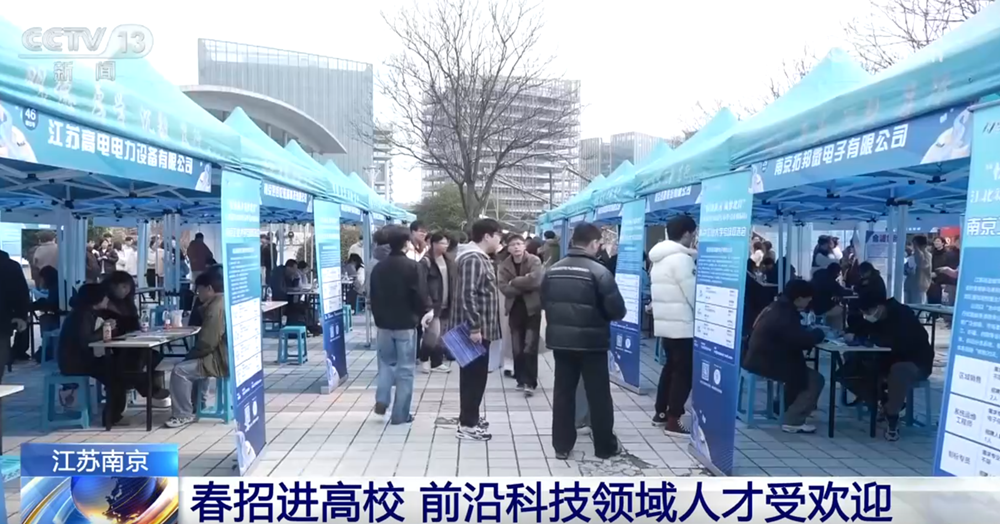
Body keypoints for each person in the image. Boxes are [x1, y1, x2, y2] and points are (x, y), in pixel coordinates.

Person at [543, 222, 626, 459]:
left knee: (563, 393)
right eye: (599, 243)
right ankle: (604, 446)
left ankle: (561, 446)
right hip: (593, 343)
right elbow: (617, 310)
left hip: (561, 342)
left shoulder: (552, 270)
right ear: (593, 243)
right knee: (598, 394)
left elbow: (545, 302)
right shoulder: (600, 272)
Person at [845, 287, 934, 441]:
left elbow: (901, 344)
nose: (866, 315)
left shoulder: (903, 316)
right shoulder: (875, 316)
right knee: (849, 371)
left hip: (914, 362)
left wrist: (871, 341)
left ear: (880, 307)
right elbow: (860, 327)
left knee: (899, 371)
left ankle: (892, 416)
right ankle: (884, 401)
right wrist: (852, 333)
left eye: (868, 311)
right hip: (885, 361)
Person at [742, 279, 827, 433]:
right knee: (815, 379)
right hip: (766, 362)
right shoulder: (785, 314)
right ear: (799, 298)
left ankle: (782, 407)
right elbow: (801, 340)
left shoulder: (775, 306)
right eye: (808, 299)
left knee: (799, 371)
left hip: (757, 356)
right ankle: (794, 420)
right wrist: (818, 334)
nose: (809, 302)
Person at [369, 225, 431, 424]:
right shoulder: (413, 267)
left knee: (386, 364)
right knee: (405, 370)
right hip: (405, 323)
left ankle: (382, 398)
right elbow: (420, 295)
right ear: (406, 243)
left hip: (383, 324)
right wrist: (422, 313)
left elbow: (373, 296)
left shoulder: (378, 268)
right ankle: (400, 413)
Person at [454, 218, 504, 441]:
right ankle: (468, 424)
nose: (500, 240)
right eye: (498, 235)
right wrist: (474, 326)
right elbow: (468, 293)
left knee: (475, 376)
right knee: (473, 378)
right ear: (487, 236)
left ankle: (470, 417)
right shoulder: (473, 258)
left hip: (480, 329)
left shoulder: (479, 257)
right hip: (474, 330)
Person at [648, 214, 698, 436]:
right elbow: (693, 294)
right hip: (683, 326)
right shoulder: (681, 260)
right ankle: (674, 419)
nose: (694, 238)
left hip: (666, 326)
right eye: (693, 234)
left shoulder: (659, 258)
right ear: (686, 233)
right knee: (683, 373)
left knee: (670, 369)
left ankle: (661, 413)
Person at [57, 284, 135, 426]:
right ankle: (112, 417)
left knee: (119, 370)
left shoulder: (86, 313)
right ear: (96, 299)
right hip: (75, 363)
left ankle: (115, 413)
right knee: (116, 375)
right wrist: (105, 328)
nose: (107, 300)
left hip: (81, 359)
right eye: (105, 297)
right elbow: (86, 341)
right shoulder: (82, 316)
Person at [165, 272, 230, 428]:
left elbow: (207, 342)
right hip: (225, 354)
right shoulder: (223, 302)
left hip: (220, 358)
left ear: (209, 289)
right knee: (193, 365)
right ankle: (199, 403)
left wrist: (190, 355)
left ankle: (183, 414)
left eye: (199, 290)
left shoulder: (216, 308)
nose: (197, 294)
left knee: (180, 371)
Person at [498, 234, 543, 395]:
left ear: (524, 246)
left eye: (519, 244)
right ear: (508, 248)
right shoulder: (504, 265)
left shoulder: (534, 261)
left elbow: (536, 280)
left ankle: (530, 382)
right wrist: (524, 285)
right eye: (513, 245)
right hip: (514, 308)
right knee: (517, 347)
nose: (516, 247)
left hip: (532, 308)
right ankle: (520, 379)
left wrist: (515, 282)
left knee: (530, 346)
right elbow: (504, 287)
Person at [420, 232, 455, 373]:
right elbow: (422, 284)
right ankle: (424, 359)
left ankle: (437, 362)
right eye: (442, 243)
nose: (445, 246)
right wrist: (428, 304)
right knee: (432, 334)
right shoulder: (426, 262)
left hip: (447, 302)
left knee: (441, 336)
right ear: (433, 244)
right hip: (433, 305)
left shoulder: (449, 260)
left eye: (447, 243)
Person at [0, 247, 29, 374]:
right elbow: (21, 293)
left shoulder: (9, 266)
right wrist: (21, 315)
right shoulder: (10, 265)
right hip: (3, 322)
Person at [928, 236, 960, 305]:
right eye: (935, 241)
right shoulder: (931, 254)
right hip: (932, 280)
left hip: (944, 281)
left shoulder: (948, 254)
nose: (936, 243)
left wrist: (937, 274)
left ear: (943, 243)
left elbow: (948, 267)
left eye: (938, 241)